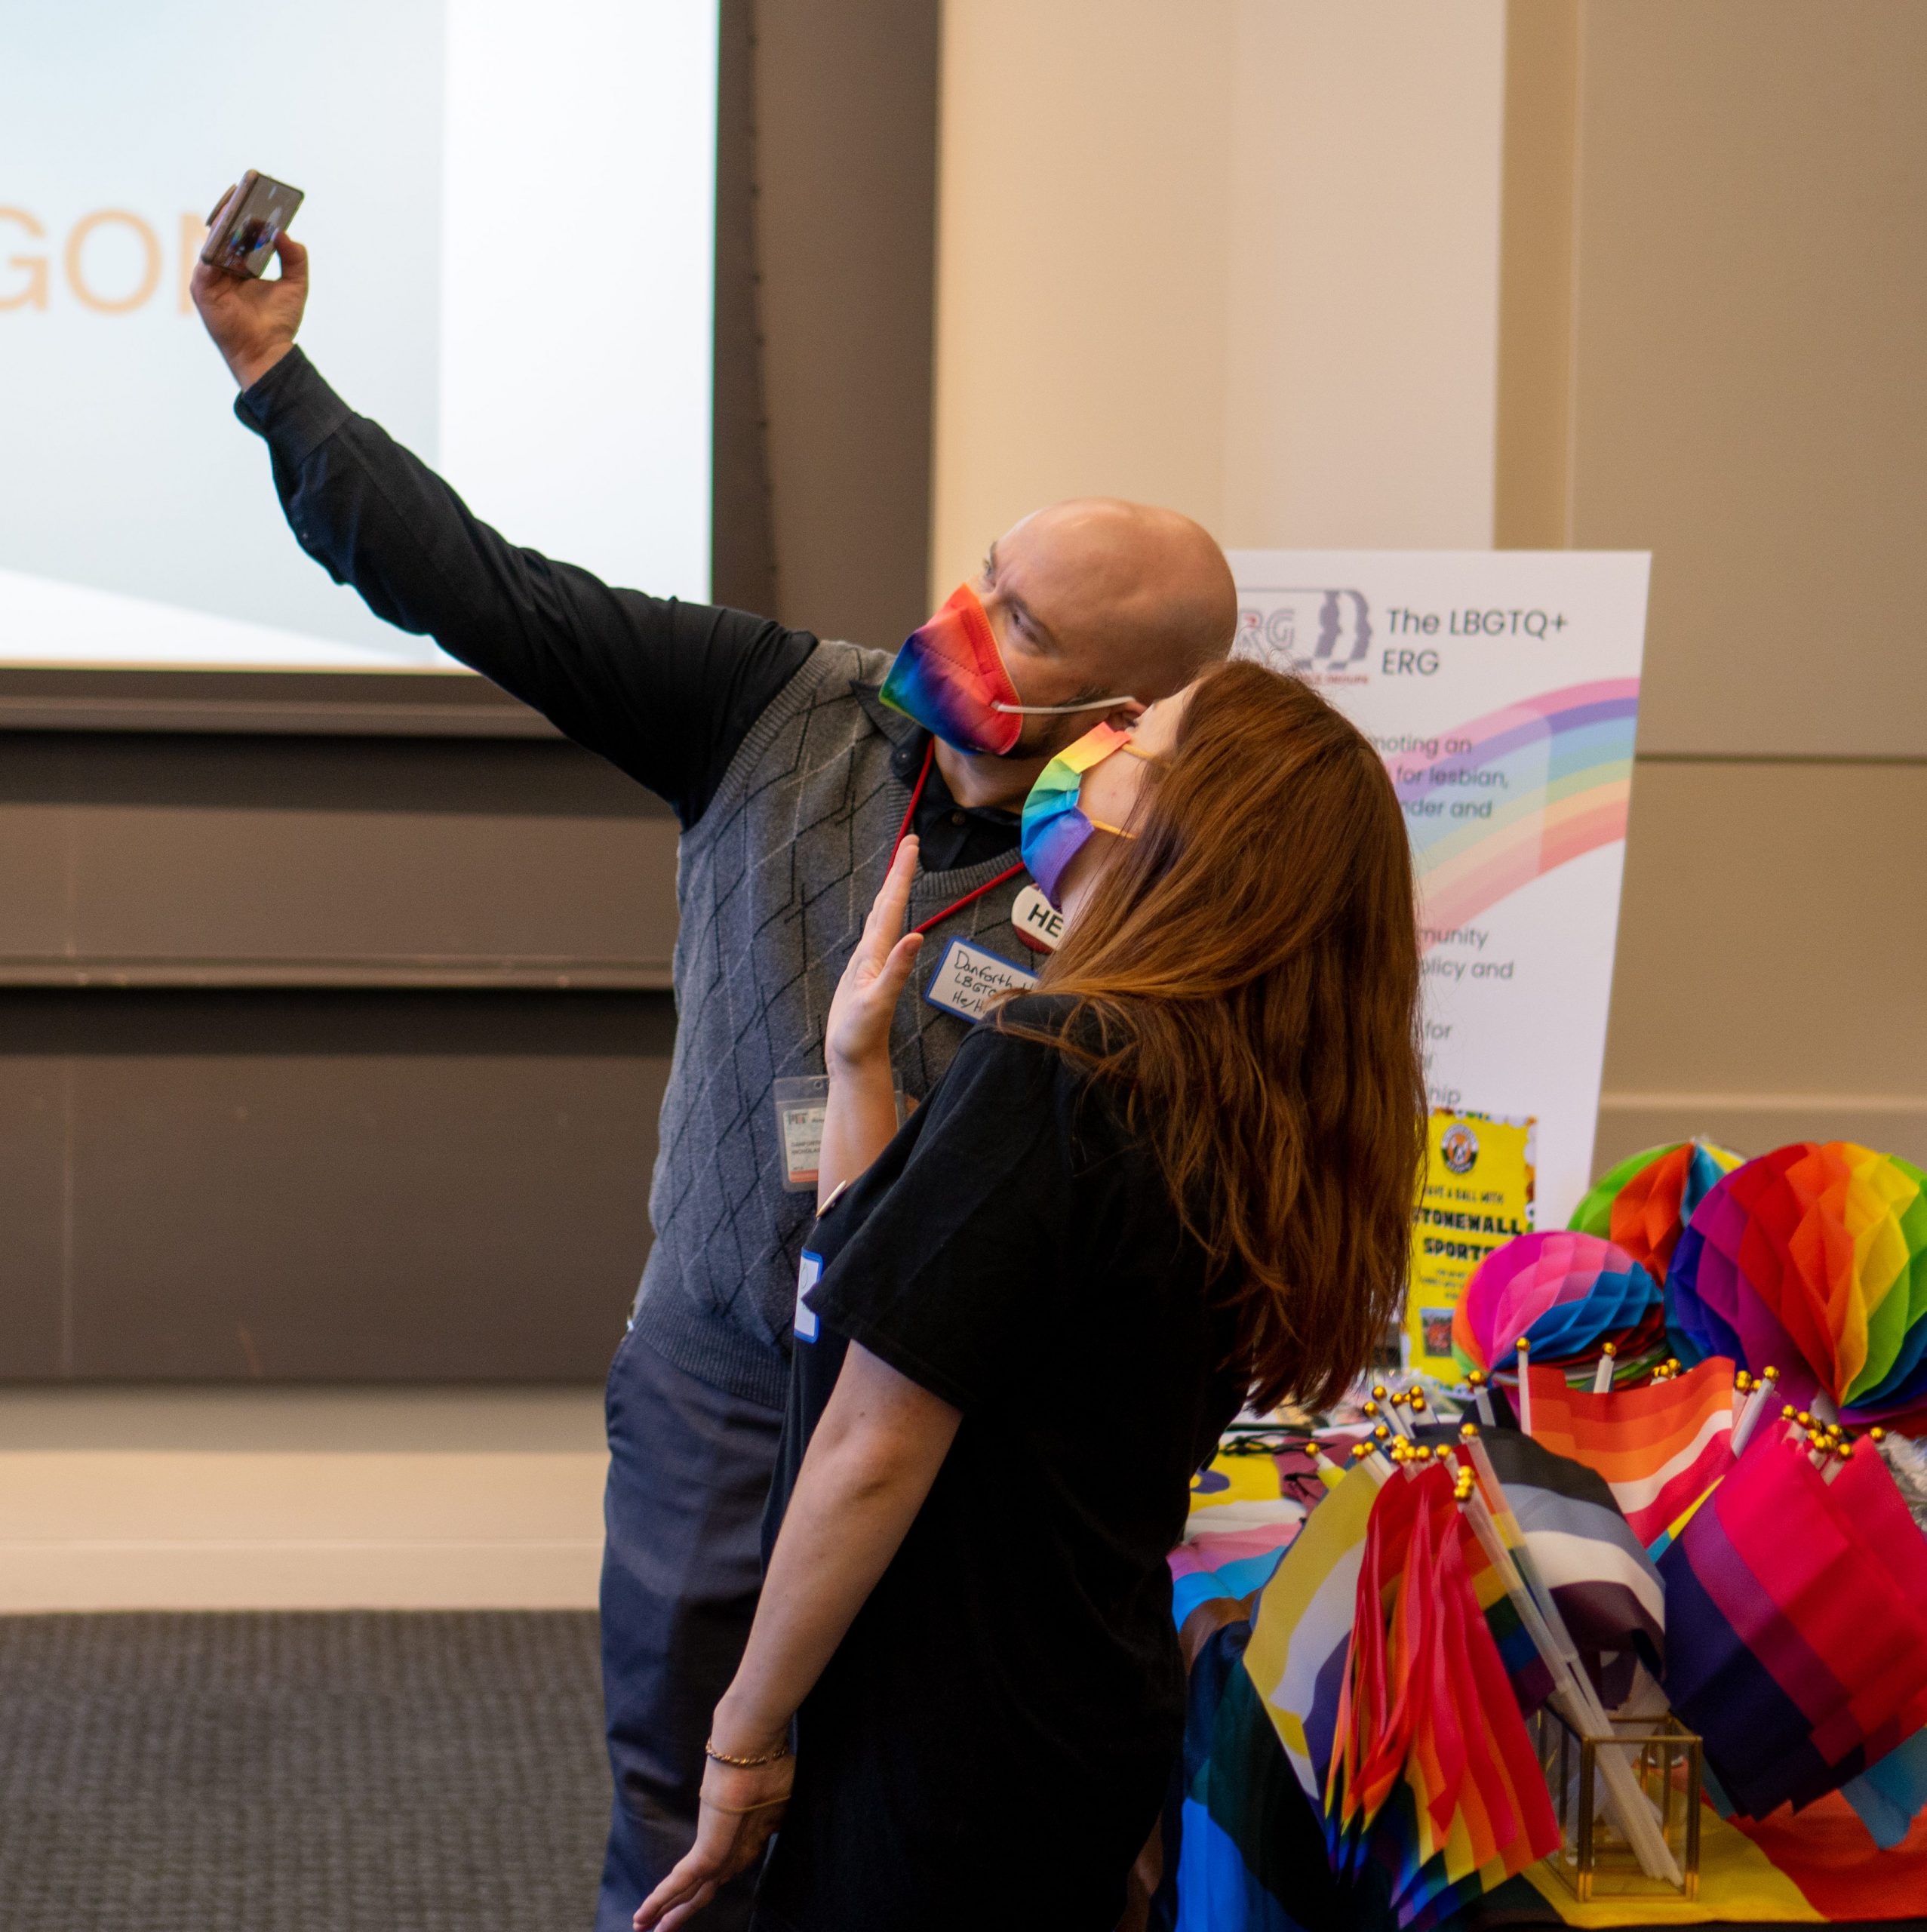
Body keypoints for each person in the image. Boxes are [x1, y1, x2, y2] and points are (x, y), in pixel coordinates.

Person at [187, 211, 1240, 1931]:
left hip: (963, 1443)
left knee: (907, 1847)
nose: (961, 619)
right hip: (718, 1381)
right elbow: (478, 583)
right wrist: (272, 375)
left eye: (1025, 626)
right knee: (679, 1831)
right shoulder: (773, 702)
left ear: (1121, 713)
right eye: (982, 569)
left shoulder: (1159, 896)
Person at [635, 661, 1427, 1930]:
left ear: (1184, 824)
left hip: (942, 1719)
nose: (1095, 748)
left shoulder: (1067, 1062)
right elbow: (885, 1287)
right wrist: (858, 1069)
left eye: (1139, 735)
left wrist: (743, 1731)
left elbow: (871, 1442)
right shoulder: (1217, 1080)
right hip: (1063, 1695)